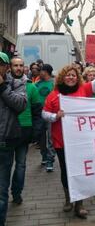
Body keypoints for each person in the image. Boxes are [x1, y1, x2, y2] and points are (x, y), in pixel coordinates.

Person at [42, 59, 95, 218]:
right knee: (66, 171)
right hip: (61, 141)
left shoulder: (84, 89)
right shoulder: (54, 95)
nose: (71, 78)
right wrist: (55, 116)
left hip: (81, 141)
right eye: (68, 75)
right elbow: (44, 114)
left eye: (73, 75)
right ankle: (68, 198)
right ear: (62, 77)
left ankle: (79, 203)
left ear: (77, 77)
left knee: (80, 171)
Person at [9, 57, 42, 205]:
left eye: (21, 65)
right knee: (6, 165)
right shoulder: (5, 85)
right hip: (7, 132)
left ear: (24, 68)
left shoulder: (31, 87)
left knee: (21, 165)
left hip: (24, 130)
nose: (18, 68)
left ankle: (17, 192)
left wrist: (35, 132)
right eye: (15, 65)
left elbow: (37, 112)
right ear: (10, 67)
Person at [0, 52, 27, 226]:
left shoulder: (17, 84)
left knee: (1, 190)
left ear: (5, 67)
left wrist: (2, 87)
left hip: (5, 142)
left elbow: (20, 105)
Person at [36, 64, 55, 172]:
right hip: (39, 114)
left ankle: (50, 159)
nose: (39, 73)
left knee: (51, 138)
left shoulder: (54, 83)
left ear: (46, 71)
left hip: (51, 114)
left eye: (41, 71)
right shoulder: (37, 83)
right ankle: (43, 155)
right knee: (41, 138)